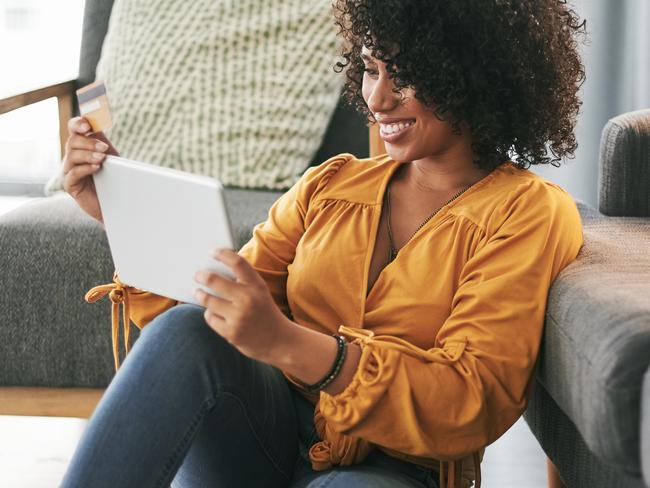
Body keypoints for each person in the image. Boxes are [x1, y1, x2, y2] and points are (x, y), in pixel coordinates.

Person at [59, 1, 587, 487]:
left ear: (471, 73)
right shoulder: (331, 185)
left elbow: (469, 398)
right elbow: (213, 319)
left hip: (394, 468)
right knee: (185, 328)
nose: (377, 97)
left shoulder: (526, 213)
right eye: (371, 69)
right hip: (260, 438)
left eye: (403, 74)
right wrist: (117, 212)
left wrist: (289, 344)